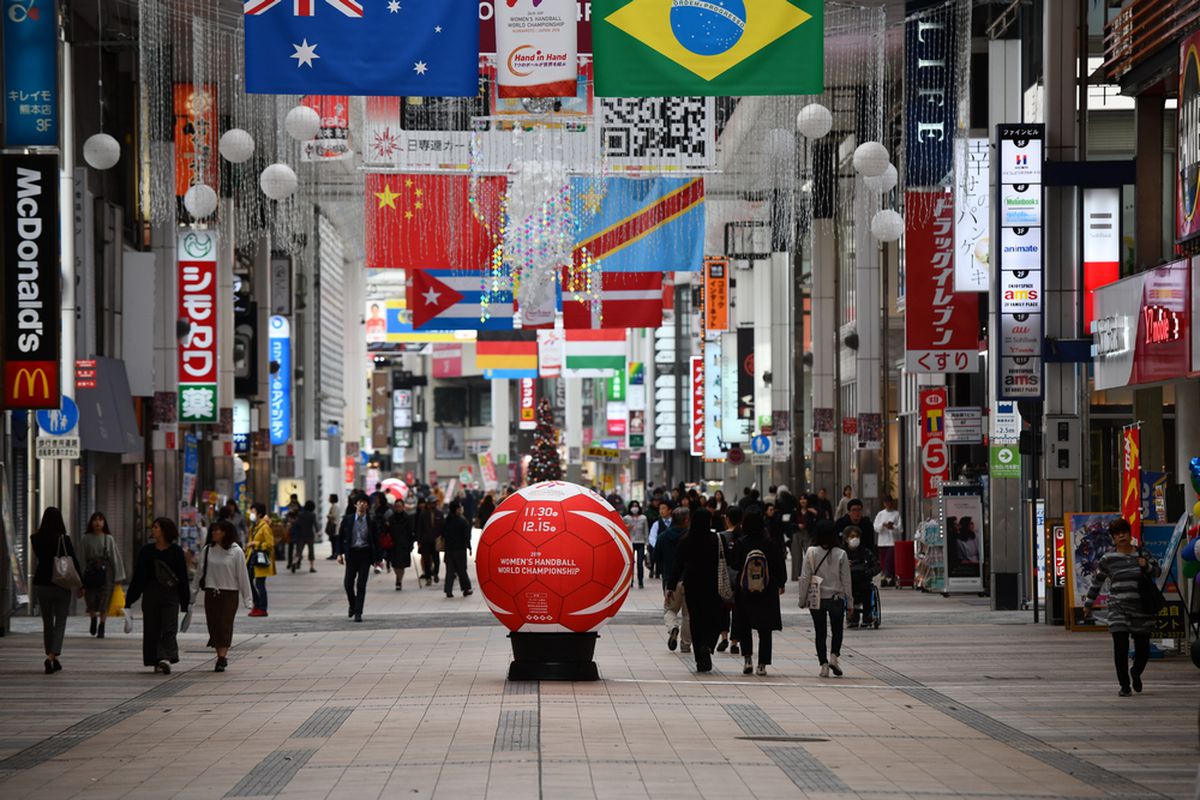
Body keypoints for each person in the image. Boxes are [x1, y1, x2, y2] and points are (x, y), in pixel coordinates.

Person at [1083, 518, 1162, 696]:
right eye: (1117, 534)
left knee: (1143, 651)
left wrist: (1146, 565)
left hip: (1142, 609)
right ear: (1113, 538)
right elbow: (1097, 582)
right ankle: (1124, 685)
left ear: (1129, 534)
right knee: (1120, 647)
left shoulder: (1143, 554)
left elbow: (1158, 571)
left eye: (1124, 532)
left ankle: (1136, 672)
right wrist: (1089, 603)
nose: (1121, 536)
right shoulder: (1108, 559)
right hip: (1118, 608)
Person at [125, 518, 190, 674]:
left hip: (171, 594)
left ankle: (165, 657)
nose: (152, 530)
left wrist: (185, 602)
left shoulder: (176, 551)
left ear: (164, 531)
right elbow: (139, 577)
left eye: (156, 527)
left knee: (169, 627)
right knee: (152, 628)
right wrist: (129, 599)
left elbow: (182, 577)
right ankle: (157, 659)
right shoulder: (146, 551)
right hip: (151, 593)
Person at [665, 507, 725, 672]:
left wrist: (670, 586)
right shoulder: (716, 540)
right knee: (714, 618)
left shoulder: (686, 540)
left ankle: (700, 657)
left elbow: (677, 565)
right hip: (712, 585)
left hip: (692, 585)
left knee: (696, 620)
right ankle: (708, 644)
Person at [192, 519, 254, 672]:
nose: (213, 533)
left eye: (217, 530)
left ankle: (222, 657)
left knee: (224, 625)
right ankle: (219, 654)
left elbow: (242, 576)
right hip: (211, 593)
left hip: (229, 594)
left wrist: (248, 599)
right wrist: (192, 595)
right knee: (213, 625)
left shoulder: (236, 551)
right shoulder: (207, 550)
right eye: (213, 530)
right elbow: (199, 574)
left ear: (225, 533)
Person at [730, 511, 787, 676]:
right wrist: (780, 583)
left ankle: (747, 659)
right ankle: (762, 664)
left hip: (745, 589)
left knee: (744, 625)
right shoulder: (770, 543)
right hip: (767, 590)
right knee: (765, 629)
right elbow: (779, 566)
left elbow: (734, 564)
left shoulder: (741, 543)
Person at [798, 522, 852, 678]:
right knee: (837, 630)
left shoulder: (811, 552)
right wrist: (850, 602)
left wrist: (802, 600)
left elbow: (805, 577)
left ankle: (823, 665)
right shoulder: (841, 554)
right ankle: (834, 657)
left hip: (817, 599)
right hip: (836, 598)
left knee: (820, 633)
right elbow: (846, 580)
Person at [31, 507, 81, 674]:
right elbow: (73, 560)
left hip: (43, 584)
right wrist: (82, 584)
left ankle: (54, 658)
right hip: (61, 584)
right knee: (60, 622)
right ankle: (51, 657)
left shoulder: (35, 538)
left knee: (47, 623)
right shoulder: (63, 539)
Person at [78, 511, 126, 639]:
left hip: (106, 573)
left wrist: (118, 577)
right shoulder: (85, 538)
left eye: (100, 520)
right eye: (95, 520)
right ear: (91, 523)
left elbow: (115, 558)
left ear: (104, 523)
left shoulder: (108, 538)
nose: (97, 523)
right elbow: (82, 558)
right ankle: (93, 618)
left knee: (105, 601)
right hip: (90, 572)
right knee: (90, 599)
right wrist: (80, 580)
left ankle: (102, 625)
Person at [338, 495, 382, 621]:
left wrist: (378, 558)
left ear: (367, 505)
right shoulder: (348, 519)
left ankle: (358, 612)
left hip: (365, 555)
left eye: (364, 503)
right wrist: (339, 554)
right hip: (351, 555)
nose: (362, 504)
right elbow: (340, 537)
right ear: (355, 505)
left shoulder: (371, 521)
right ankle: (352, 605)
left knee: (361, 585)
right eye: (359, 502)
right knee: (348, 583)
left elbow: (376, 541)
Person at [656, 506, 691, 654]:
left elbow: (656, 557)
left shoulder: (663, 537)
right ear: (686, 520)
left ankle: (673, 628)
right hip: (689, 581)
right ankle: (685, 644)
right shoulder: (691, 537)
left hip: (670, 581)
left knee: (669, 610)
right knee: (688, 614)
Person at [844, 526, 881, 628]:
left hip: (864, 580)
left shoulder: (866, 552)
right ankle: (852, 616)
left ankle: (867, 616)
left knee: (867, 590)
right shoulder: (842, 553)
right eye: (852, 536)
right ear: (846, 538)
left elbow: (877, 566)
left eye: (857, 536)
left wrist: (869, 572)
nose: (855, 539)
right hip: (849, 582)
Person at [245, 503, 276, 616]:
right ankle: (256, 605)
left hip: (261, 560)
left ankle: (262, 608)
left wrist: (255, 544)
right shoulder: (254, 526)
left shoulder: (265, 527)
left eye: (253, 512)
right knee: (250, 582)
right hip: (252, 559)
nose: (251, 514)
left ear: (260, 514)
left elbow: (270, 544)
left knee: (259, 584)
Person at [442, 500, 474, 598]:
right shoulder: (462, 521)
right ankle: (465, 589)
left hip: (449, 549)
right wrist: (469, 547)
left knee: (450, 571)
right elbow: (466, 537)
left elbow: (443, 534)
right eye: (460, 507)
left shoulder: (447, 521)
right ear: (457, 509)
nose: (461, 509)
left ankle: (448, 590)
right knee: (462, 570)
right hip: (459, 550)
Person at [385, 498, 415, 590]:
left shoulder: (407, 518)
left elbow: (411, 532)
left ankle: (399, 580)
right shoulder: (391, 519)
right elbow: (387, 532)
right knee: (394, 564)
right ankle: (398, 577)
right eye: (397, 506)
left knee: (401, 564)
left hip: (404, 545)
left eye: (400, 506)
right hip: (393, 544)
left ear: (403, 507)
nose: (398, 508)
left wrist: (411, 544)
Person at [872, 495, 902, 585]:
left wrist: (893, 527)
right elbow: (876, 527)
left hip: (892, 541)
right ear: (884, 504)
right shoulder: (880, 514)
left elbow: (900, 529)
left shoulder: (896, 514)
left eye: (889, 502)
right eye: (886, 502)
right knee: (883, 560)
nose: (887, 504)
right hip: (882, 541)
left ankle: (890, 576)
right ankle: (885, 577)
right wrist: (883, 525)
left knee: (890, 559)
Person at [414, 497, 443, 586]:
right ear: (428, 504)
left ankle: (435, 573)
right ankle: (428, 577)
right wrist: (419, 541)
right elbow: (419, 528)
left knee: (436, 560)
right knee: (427, 560)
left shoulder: (439, 514)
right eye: (432, 503)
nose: (433, 505)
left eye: (435, 503)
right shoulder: (423, 514)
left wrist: (442, 538)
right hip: (425, 540)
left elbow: (442, 526)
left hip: (436, 540)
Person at [790, 496, 817, 581]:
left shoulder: (811, 511)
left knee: (810, 555)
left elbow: (815, 523)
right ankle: (795, 575)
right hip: (797, 533)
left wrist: (815, 514)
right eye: (801, 499)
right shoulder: (795, 511)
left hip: (808, 533)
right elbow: (790, 523)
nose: (803, 501)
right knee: (796, 555)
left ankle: (811, 575)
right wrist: (797, 525)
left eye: (804, 499)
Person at [624, 501, 648, 589]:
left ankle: (640, 581)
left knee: (640, 563)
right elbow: (622, 529)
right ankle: (630, 580)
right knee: (630, 563)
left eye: (636, 506)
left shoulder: (643, 518)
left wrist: (647, 542)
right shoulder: (626, 518)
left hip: (640, 542)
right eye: (633, 506)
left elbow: (646, 530)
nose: (635, 508)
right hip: (630, 542)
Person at [289, 500, 318, 573]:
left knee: (299, 551)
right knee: (311, 551)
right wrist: (317, 531)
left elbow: (296, 523)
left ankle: (294, 563)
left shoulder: (300, 514)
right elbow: (315, 525)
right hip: (310, 535)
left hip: (301, 535)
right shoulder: (312, 515)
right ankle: (312, 567)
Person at [648, 501, 672, 580]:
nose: (661, 511)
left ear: (669, 510)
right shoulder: (656, 524)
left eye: (663, 508)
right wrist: (657, 546)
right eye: (660, 509)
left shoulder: (675, 522)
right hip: (662, 552)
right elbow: (652, 537)